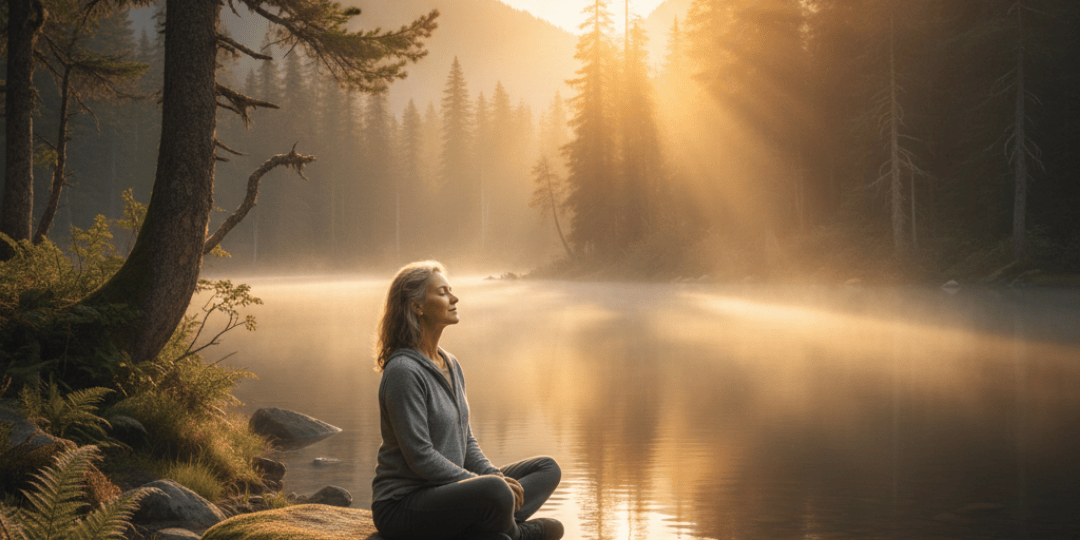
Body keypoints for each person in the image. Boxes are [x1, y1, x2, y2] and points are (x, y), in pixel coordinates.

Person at [371, 261, 564, 540]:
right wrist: (486, 484)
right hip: (404, 505)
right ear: (417, 306)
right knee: (495, 491)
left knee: (547, 468)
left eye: (451, 290)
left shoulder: (450, 364)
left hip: (452, 493)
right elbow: (420, 458)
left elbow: (466, 441)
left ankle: (492, 526)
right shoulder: (404, 372)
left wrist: (494, 474)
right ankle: (515, 533)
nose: (454, 298)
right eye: (442, 292)